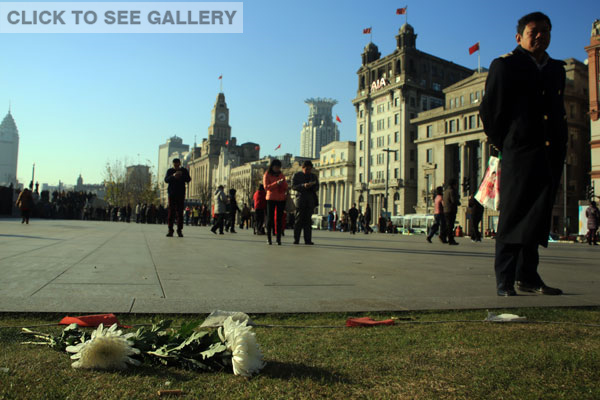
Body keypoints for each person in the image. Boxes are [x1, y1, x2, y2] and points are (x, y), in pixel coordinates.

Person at [480, 11, 566, 296]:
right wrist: (506, 142)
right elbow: (490, 111)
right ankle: (505, 278)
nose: (541, 35)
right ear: (519, 37)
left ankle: (527, 276)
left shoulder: (556, 69)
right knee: (513, 215)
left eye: (546, 30)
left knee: (537, 217)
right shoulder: (505, 66)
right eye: (534, 31)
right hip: (518, 153)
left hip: (548, 154)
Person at [292, 160, 319, 245]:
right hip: (300, 200)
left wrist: (312, 185)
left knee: (308, 221)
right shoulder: (297, 175)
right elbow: (293, 186)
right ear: (302, 168)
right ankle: (296, 239)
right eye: (306, 169)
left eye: (310, 169)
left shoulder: (313, 176)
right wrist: (303, 185)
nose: (308, 171)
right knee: (298, 220)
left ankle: (308, 240)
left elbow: (317, 187)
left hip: (310, 200)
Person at [263, 159, 288, 245]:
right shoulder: (267, 174)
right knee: (270, 219)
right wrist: (276, 183)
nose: (277, 169)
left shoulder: (281, 175)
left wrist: (283, 184)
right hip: (271, 198)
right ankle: (269, 238)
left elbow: (285, 186)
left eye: (279, 167)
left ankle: (278, 238)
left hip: (281, 199)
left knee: (279, 219)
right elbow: (266, 187)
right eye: (276, 167)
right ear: (272, 167)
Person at [164, 158, 191, 237]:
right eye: (174, 165)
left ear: (180, 164)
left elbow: (188, 179)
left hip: (181, 194)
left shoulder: (184, 170)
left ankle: (179, 230)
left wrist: (181, 175)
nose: (176, 167)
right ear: (173, 164)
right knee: (171, 212)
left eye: (177, 165)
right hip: (172, 194)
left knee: (180, 213)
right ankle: (170, 230)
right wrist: (173, 176)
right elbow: (166, 180)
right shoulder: (170, 171)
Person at [443, 180, 460, 245]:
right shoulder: (452, 191)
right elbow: (453, 201)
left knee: (448, 225)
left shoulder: (446, 191)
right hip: (451, 210)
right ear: (454, 185)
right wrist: (458, 202)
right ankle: (450, 239)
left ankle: (443, 235)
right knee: (450, 226)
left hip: (446, 210)